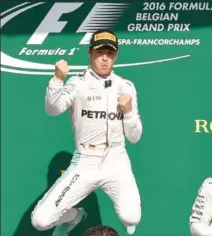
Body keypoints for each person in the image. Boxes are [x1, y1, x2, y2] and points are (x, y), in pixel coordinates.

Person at [31, 30, 142, 236]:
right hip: (86, 161)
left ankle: (127, 214)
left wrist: (127, 113)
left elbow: (135, 137)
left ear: (115, 55)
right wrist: (57, 80)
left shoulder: (126, 86)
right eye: (100, 52)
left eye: (110, 53)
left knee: (131, 217)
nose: (105, 58)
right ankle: (75, 216)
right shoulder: (78, 83)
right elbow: (53, 109)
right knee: (40, 221)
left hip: (116, 160)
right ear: (90, 53)